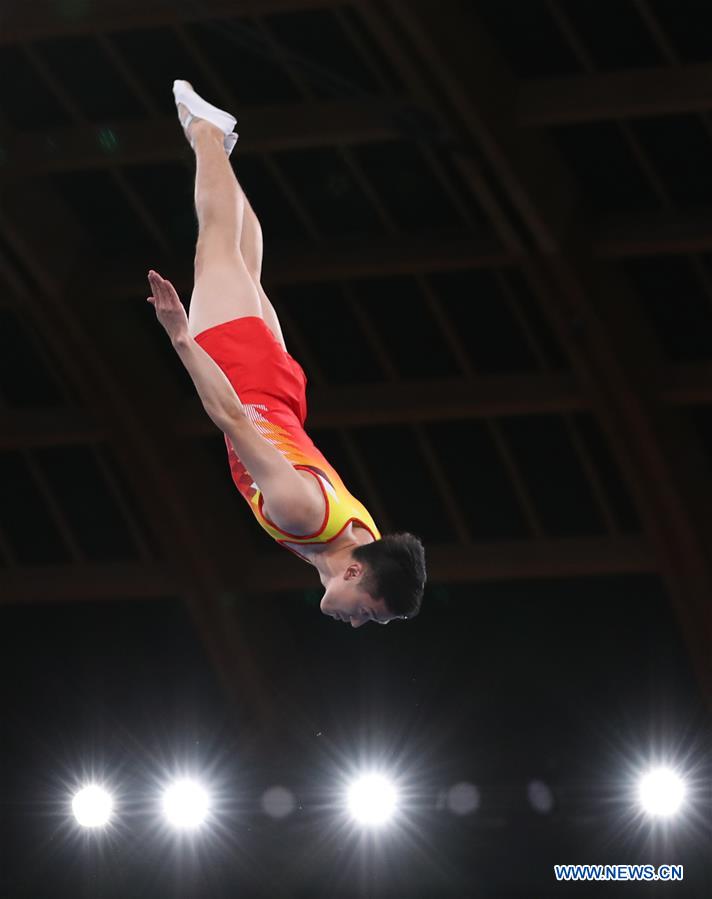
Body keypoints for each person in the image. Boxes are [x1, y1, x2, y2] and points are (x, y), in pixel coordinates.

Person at [145, 81, 426, 628]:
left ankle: (219, 150)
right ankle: (203, 131)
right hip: (242, 379)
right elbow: (227, 415)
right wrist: (181, 338)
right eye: (371, 613)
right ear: (353, 575)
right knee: (216, 245)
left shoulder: (361, 538)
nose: (360, 623)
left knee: (244, 263)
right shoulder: (301, 515)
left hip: (282, 396)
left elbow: (377, 552)